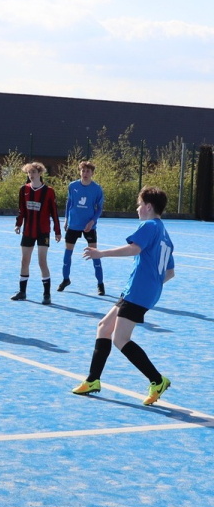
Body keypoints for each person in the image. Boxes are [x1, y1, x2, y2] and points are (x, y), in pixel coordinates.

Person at [72, 186, 174, 405]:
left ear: (148, 207)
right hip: (139, 290)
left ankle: (157, 380)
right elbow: (170, 273)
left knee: (120, 339)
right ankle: (93, 380)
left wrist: (101, 253)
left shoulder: (149, 225)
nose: (138, 209)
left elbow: (134, 249)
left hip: (138, 291)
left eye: (139, 205)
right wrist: (152, 285)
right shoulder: (165, 233)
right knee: (104, 327)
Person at [12, 162, 61, 304]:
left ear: (40, 173)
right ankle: (22, 292)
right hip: (28, 230)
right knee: (24, 260)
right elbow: (22, 210)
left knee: (42, 261)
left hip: (43, 231)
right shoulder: (24, 189)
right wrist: (18, 224)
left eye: (33, 172)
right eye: (29, 172)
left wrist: (57, 231)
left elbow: (54, 212)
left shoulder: (49, 191)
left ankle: (46, 294)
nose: (31, 175)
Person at [59, 160, 106, 295]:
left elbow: (99, 208)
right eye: (83, 171)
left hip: (89, 226)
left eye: (88, 171)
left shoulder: (97, 189)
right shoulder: (72, 186)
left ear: (92, 173)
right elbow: (69, 203)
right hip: (73, 225)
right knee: (67, 253)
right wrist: (66, 219)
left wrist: (92, 222)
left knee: (95, 254)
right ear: (80, 172)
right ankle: (65, 279)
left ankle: (100, 284)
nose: (85, 173)